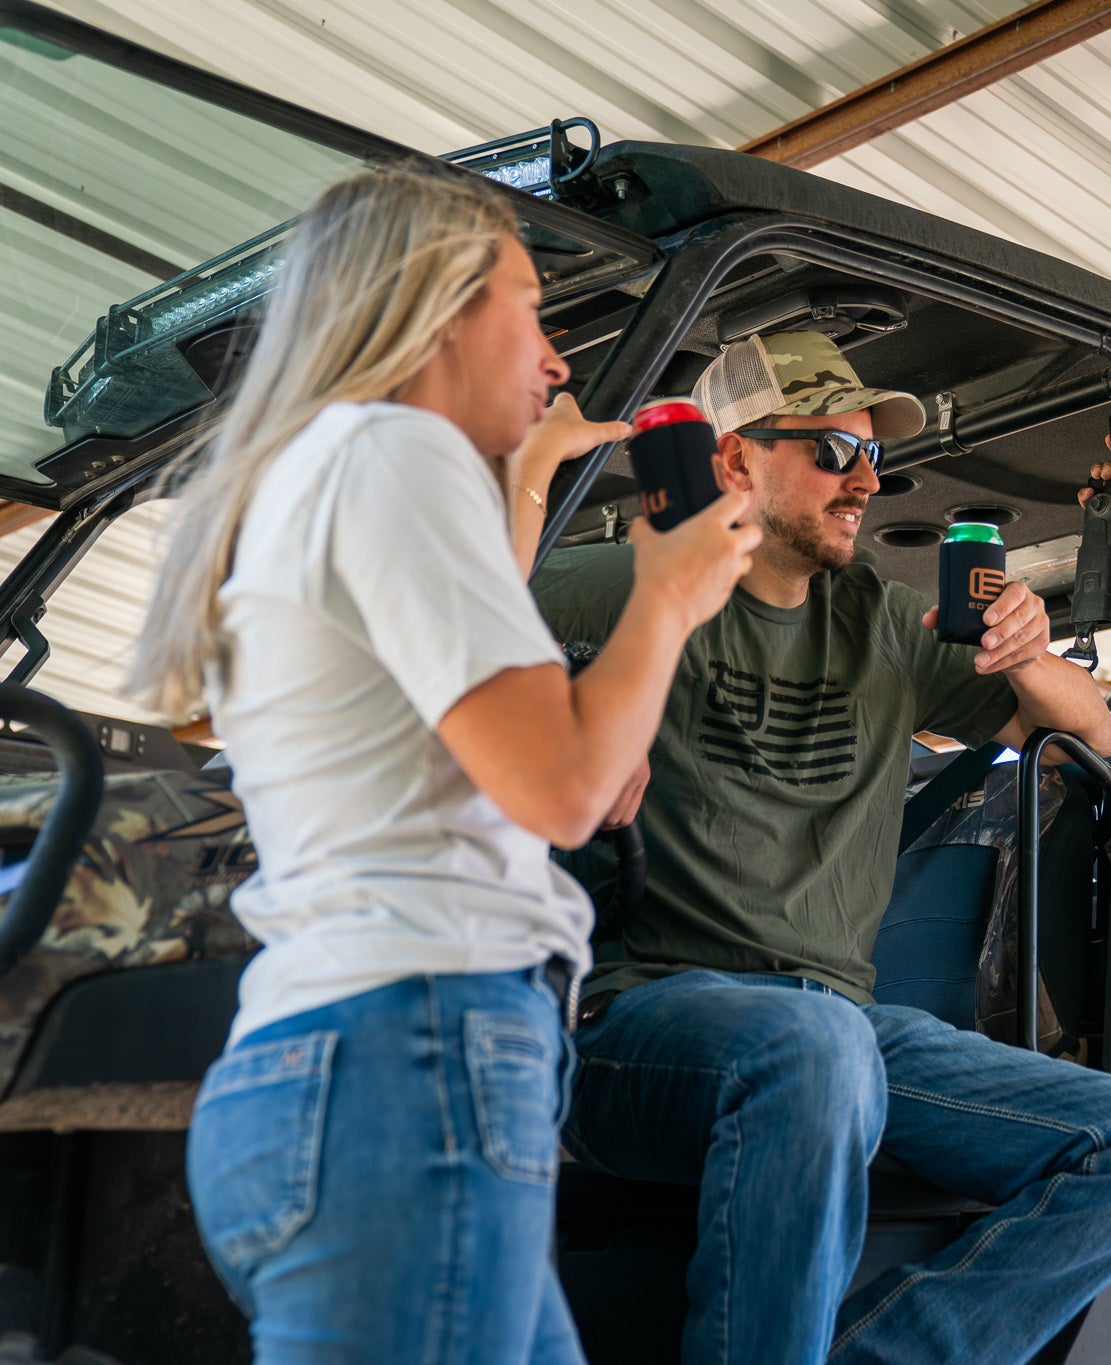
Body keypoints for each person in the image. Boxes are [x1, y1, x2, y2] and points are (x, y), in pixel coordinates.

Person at [127, 167, 759, 1363]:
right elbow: (563, 788)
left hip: (337, 1072)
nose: (558, 358)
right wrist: (667, 601)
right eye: (531, 307)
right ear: (441, 306)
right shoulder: (388, 453)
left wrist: (526, 486)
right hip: (413, 1055)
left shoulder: (322, 472)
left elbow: (494, 730)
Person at [533, 330, 1111, 1365]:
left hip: (841, 1027)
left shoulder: (888, 623)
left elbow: (1089, 734)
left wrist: (1028, 658)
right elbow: (428, 688)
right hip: (637, 1019)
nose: (864, 481)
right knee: (812, 1050)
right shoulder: (600, 590)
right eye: (832, 453)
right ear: (733, 460)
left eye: (873, 458)